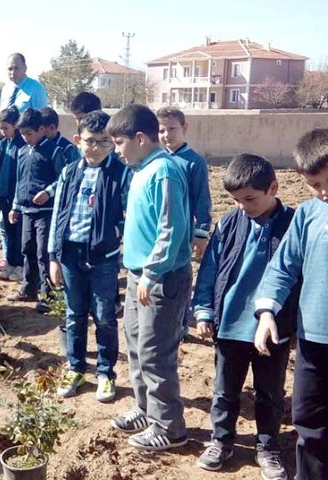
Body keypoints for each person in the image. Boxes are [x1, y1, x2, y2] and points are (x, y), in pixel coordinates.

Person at [255, 128, 328, 480]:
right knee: (309, 425)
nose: (325, 191)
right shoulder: (309, 214)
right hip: (312, 339)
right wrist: (267, 311)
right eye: (315, 184)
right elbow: (283, 267)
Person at [191, 154, 297, 478]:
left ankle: (268, 448)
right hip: (230, 325)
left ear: (273, 188)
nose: (243, 206)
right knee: (225, 390)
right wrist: (204, 310)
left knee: (270, 392)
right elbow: (210, 270)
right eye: (237, 200)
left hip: (272, 329)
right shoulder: (227, 223)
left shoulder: (293, 225)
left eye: (250, 199)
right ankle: (221, 441)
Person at [107, 104, 192, 451]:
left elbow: (171, 230)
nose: (116, 150)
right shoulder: (142, 169)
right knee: (138, 348)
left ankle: (169, 427)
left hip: (160, 278)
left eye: (119, 142)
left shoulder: (165, 172)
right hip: (138, 274)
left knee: (156, 353)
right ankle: (146, 410)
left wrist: (152, 272)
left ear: (140, 138)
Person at [48, 111, 130, 401]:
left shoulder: (121, 173)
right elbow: (58, 214)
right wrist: (53, 256)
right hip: (70, 254)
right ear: (77, 140)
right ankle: (76, 368)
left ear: (112, 143)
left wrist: (116, 238)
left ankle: (106, 373)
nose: (95, 148)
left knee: (105, 316)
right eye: (90, 141)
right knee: (74, 315)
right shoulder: (69, 172)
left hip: (103, 258)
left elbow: (128, 214)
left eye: (103, 142)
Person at [7, 108, 66, 313]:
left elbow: (64, 179)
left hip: (46, 211)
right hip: (26, 210)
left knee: (43, 252)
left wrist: (48, 192)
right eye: (22, 134)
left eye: (29, 133)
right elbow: (19, 181)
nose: (25, 138)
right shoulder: (22, 151)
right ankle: (28, 288)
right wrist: (15, 206)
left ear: (41, 129)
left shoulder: (53, 151)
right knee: (27, 249)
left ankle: (47, 295)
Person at [156, 107, 212, 260]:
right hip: (157, 229)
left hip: (182, 231)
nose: (167, 135)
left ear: (184, 128)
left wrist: (201, 231)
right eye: (161, 131)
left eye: (172, 129)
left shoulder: (194, 162)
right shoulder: (156, 160)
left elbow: (202, 198)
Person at [0, 53, 50, 164]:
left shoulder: (36, 88)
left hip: (26, 145)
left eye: (16, 68)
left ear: (25, 68)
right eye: (10, 69)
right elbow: (1, 121)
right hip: (7, 145)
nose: (13, 72)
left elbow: (42, 120)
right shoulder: (5, 89)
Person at [0, 107, 26, 282]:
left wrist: (17, 200)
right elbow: (0, 169)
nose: (3, 132)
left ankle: (20, 266)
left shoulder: (22, 145)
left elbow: (21, 176)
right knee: (8, 230)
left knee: (18, 233)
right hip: (4, 195)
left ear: (15, 125)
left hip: (16, 197)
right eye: (1, 128)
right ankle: (11, 263)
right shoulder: (5, 143)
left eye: (6, 128)